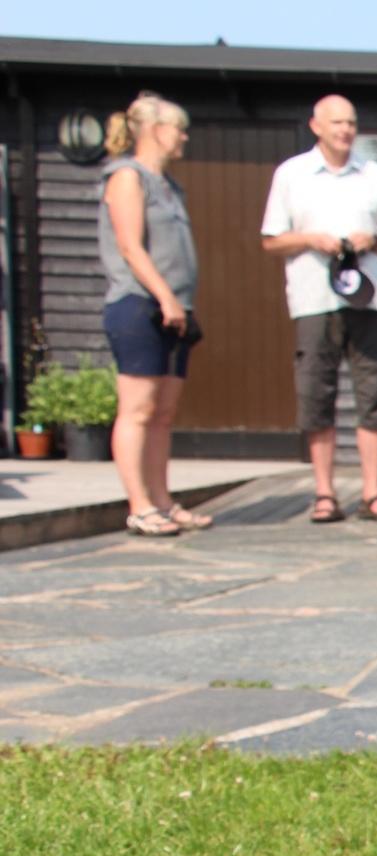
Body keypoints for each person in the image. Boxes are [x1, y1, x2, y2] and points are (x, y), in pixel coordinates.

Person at [260, 95, 377, 524]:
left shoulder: (374, 175)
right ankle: (324, 493)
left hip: (368, 300)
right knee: (316, 395)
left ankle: (372, 493)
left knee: (374, 394)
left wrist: (372, 240)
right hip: (313, 301)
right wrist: (310, 239)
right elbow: (270, 239)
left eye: (351, 122)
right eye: (337, 122)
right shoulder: (291, 174)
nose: (345, 129)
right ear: (316, 126)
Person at [99, 91, 206, 537]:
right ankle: (139, 506)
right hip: (139, 305)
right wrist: (164, 297)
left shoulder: (169, 185)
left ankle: (162, 501)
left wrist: (175, 303)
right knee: (138, 410)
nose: (183, 137)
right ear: (156, 130)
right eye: (178, 129)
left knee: (162, 413)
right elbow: (130, 246)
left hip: (173, 309)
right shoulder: (128, 177)